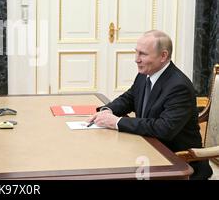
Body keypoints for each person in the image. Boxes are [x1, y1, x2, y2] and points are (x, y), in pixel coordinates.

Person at [87, 30, 213, 180]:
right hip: (146, 150)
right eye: (136, 52)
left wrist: (117, 122)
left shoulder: (179, 87)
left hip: (178, 163)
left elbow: (164, 129)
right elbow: (129, 98)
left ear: (163, 56)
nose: (136, 59)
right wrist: (107, 111)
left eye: (143, 54)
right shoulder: (145, 74)